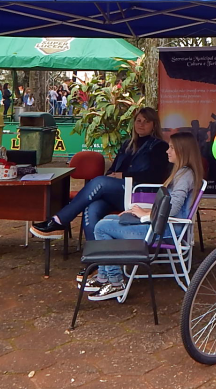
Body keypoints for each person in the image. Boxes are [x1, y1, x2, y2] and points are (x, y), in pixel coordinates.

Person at [84, 132, 204, 300]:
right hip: (161, 226)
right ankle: (104, 277)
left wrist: (146, 214)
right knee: (107, 220)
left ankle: (116, 282)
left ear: (182, 151)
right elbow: (168, 206)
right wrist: (145, 212)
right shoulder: (183, 173)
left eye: (171, 148)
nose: (167, 151)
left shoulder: (184, 176)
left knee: (101, 228)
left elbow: (173, 208)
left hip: (164, 231)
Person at [31, 107, 171, 240]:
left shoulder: (159, 146)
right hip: (120, 194)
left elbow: (156, 176)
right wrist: (112, 175)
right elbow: (114, 168)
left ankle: (59, 220)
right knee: (91, 208)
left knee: (100, 182)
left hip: (139, 193)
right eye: (138, 120)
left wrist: (124, 176)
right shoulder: (128, 144)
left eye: (147, 121)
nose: (141, 124)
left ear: (154, 125)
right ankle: (96, 259)